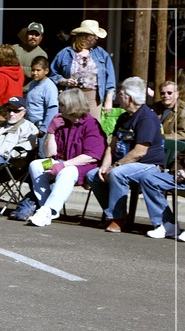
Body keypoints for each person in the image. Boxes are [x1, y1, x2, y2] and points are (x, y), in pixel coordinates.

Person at [85, 76, 166, 233]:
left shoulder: (146, 118)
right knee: (93, 175)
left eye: (120, 94)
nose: (117, 97)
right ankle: (115, 212)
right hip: (125, 163)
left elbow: (139, 152)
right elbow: (112, 145)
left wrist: (115, 166)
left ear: (129, 98)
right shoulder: (123, 118)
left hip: (148, 165)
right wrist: (104, 166)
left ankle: (118, 218)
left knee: (117, 174)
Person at [25, 88, 107, 226]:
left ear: (72, 105)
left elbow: (91, 156)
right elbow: (49, 154)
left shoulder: (91, 125)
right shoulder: (60, 122)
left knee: (67, 171)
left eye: (62, 104)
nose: (59, 107)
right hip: (60, 162)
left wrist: (64, 165)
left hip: (82, 166)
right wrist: (51, 131)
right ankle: (45, 207)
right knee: (36, 165)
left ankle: (48, 211)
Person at [50, 20, 116, 120]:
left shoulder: (101, 53)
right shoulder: (65, 53)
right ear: (84, 36)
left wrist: (109, 100)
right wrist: (64, 81)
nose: (96, 38)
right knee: (71, 126)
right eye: (94, 36)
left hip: (93, 97)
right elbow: (52, 74)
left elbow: (110, 78)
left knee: (92, 127)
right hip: (71, 96)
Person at [139, 151, 185, 240]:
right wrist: (178, 171)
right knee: (148, 179)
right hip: (181, 179)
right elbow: (178, 160)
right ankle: (168, 223)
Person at [25, 56, 58, 148]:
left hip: (41, 129)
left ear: (46, 71)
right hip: (31, 126)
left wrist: (44, 129)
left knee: (42, 155)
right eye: (33, 70)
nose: (34, 73)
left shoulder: (49, 87)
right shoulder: (33, 84)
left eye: (38, 70)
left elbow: (52, 110)